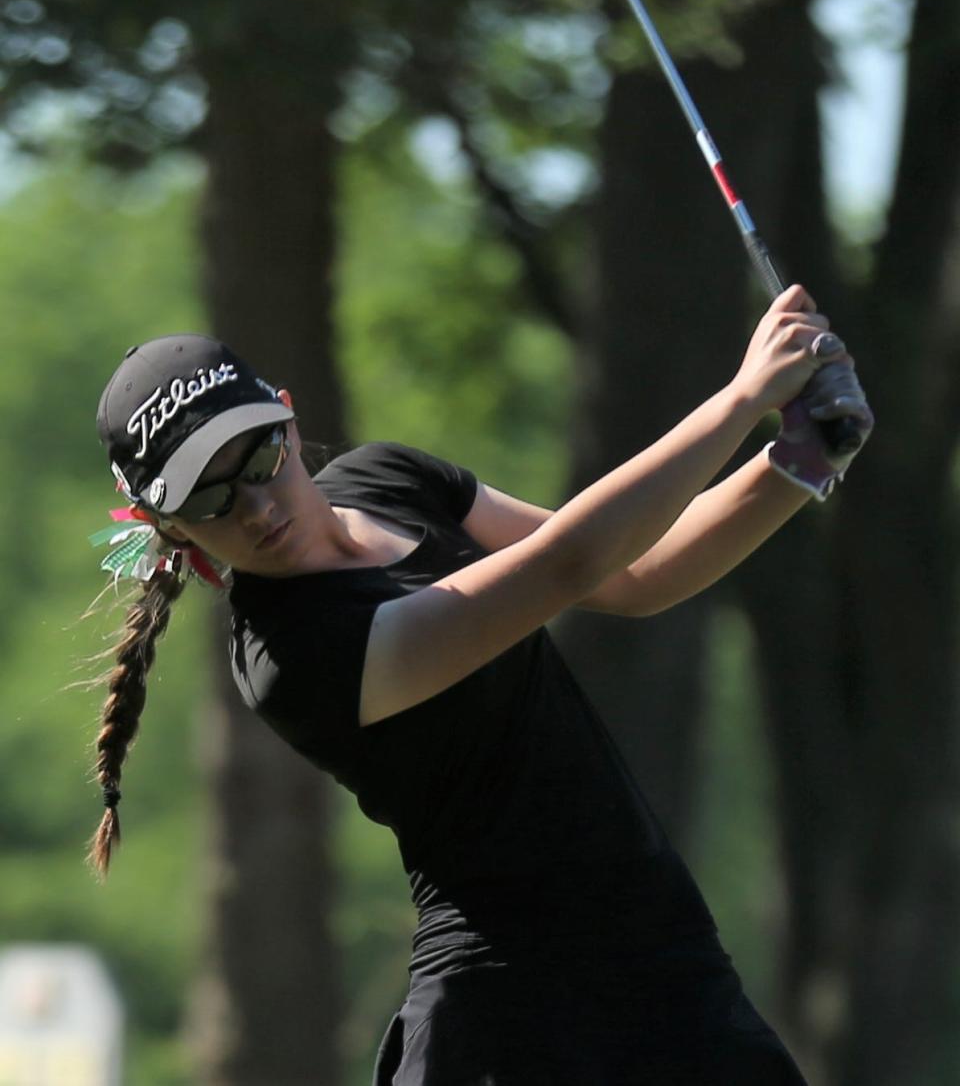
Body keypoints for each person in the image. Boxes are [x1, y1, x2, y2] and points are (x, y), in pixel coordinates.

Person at [89, 284, 872, 1085]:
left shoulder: (390, 476)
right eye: (210, 497)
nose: (254, 505)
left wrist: (804, 459)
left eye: (257, 458)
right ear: (173, 529)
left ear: (288, 419)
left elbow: (635, 574)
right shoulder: (288, 656)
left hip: (668, 964)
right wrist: (744, 398)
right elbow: (568, 562)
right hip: (507, 1021)